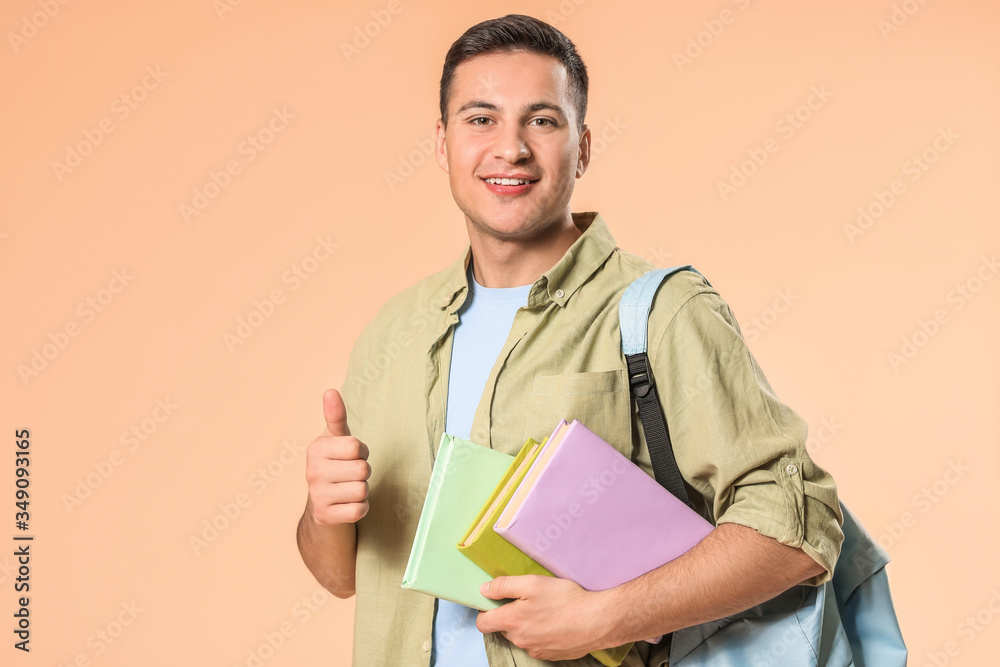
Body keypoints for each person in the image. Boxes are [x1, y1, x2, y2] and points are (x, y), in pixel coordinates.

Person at [296, 14, 843, 667]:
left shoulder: (660, 312)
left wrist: (605, 616)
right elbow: (342, 576)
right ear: (442, 145)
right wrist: (324, 513)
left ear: (582, 147)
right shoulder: (394, 331)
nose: (511, 148)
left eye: (542, 120)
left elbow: (800, 527)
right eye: (480, 119)